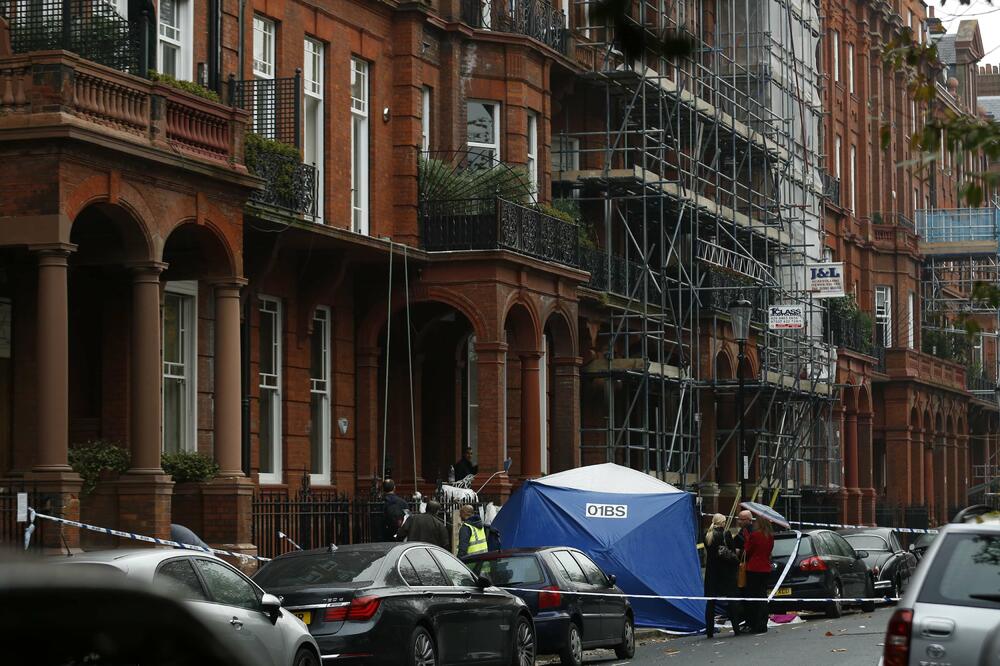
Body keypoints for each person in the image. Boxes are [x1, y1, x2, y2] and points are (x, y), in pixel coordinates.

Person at [702, 513, 739, 638]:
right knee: (731, 600)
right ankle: (736, 628)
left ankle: (709, 631)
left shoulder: (707, 535)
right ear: (722, 522)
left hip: (711, 572)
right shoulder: (726, 534)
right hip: (725, 572)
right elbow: (732, 552)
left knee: (711, 603)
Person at [744, 515, 775, 634]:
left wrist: (747, 538)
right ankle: (763, 624)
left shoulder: (754, 535)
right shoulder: (770, 536)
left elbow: (748, 550)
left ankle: (755, 624)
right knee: (762, 596)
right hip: (765, 569)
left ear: (760, 523)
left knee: (753, 597)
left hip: (754, 569)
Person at [730, 509, 754, 633]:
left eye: (742, 519)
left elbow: (744, 549)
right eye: (738, 519)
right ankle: (748, 621)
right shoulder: (742, 532)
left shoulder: (748, 533)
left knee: (747, 596)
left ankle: (749, 622)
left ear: (749, 520)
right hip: (747, 568)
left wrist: (739, 551)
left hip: (747, 569)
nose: (739, 521)